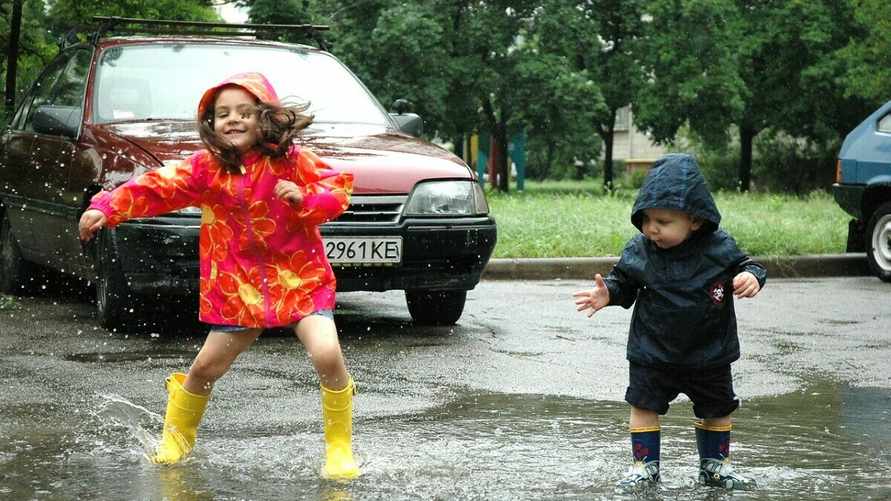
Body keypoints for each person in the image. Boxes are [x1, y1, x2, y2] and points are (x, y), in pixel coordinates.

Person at [78, 72, 360, 480]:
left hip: (299, 280)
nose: (233, 120)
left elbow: (338, 189)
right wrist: (107, 207)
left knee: (327, 354)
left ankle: (339, 448)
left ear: (266, 118)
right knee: (206, 369)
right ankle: (176, 437)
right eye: (223, 113)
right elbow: (157, 187)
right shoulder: (207, 168)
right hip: (238, 287)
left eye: (245, 112)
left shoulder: (293, 161)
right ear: (210, 123)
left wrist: (306, 198)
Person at [573, 154, 766, 491]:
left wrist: (751, 276)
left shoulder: (718, 247)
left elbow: (748, 265)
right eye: (646, 219)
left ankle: (715, 466)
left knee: (718, 408)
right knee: (643, 404)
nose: (651, 228)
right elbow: (622, 281)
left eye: (662, 221)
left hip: (710, 352)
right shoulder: (641, 249)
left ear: (694, 220)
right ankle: (645, 467)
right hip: (653, 352)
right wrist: (608, 295)